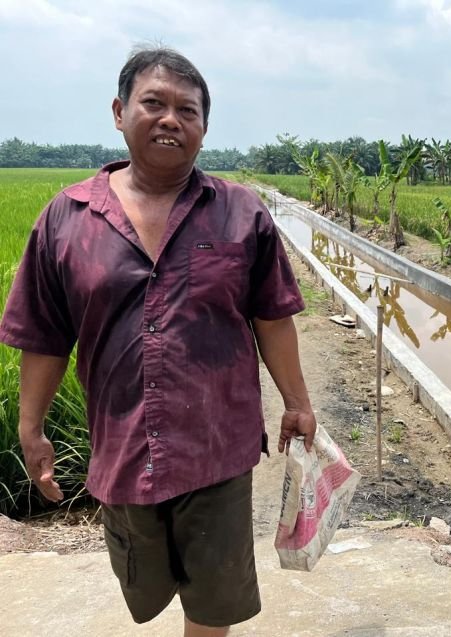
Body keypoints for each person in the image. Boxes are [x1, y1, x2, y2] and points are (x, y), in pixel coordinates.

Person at [0, 46, 316, 636]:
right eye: (154, 103)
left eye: (188, 110)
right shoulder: (65, 219)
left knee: (212, 599)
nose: (171, 119)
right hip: (121, 443)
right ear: (120, 113)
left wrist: (297, 401)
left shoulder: (240, 214)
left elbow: (273, 317)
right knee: (145, 582)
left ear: (203, 129)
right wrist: (32, 426)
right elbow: (43, 335)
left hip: (217, 443)